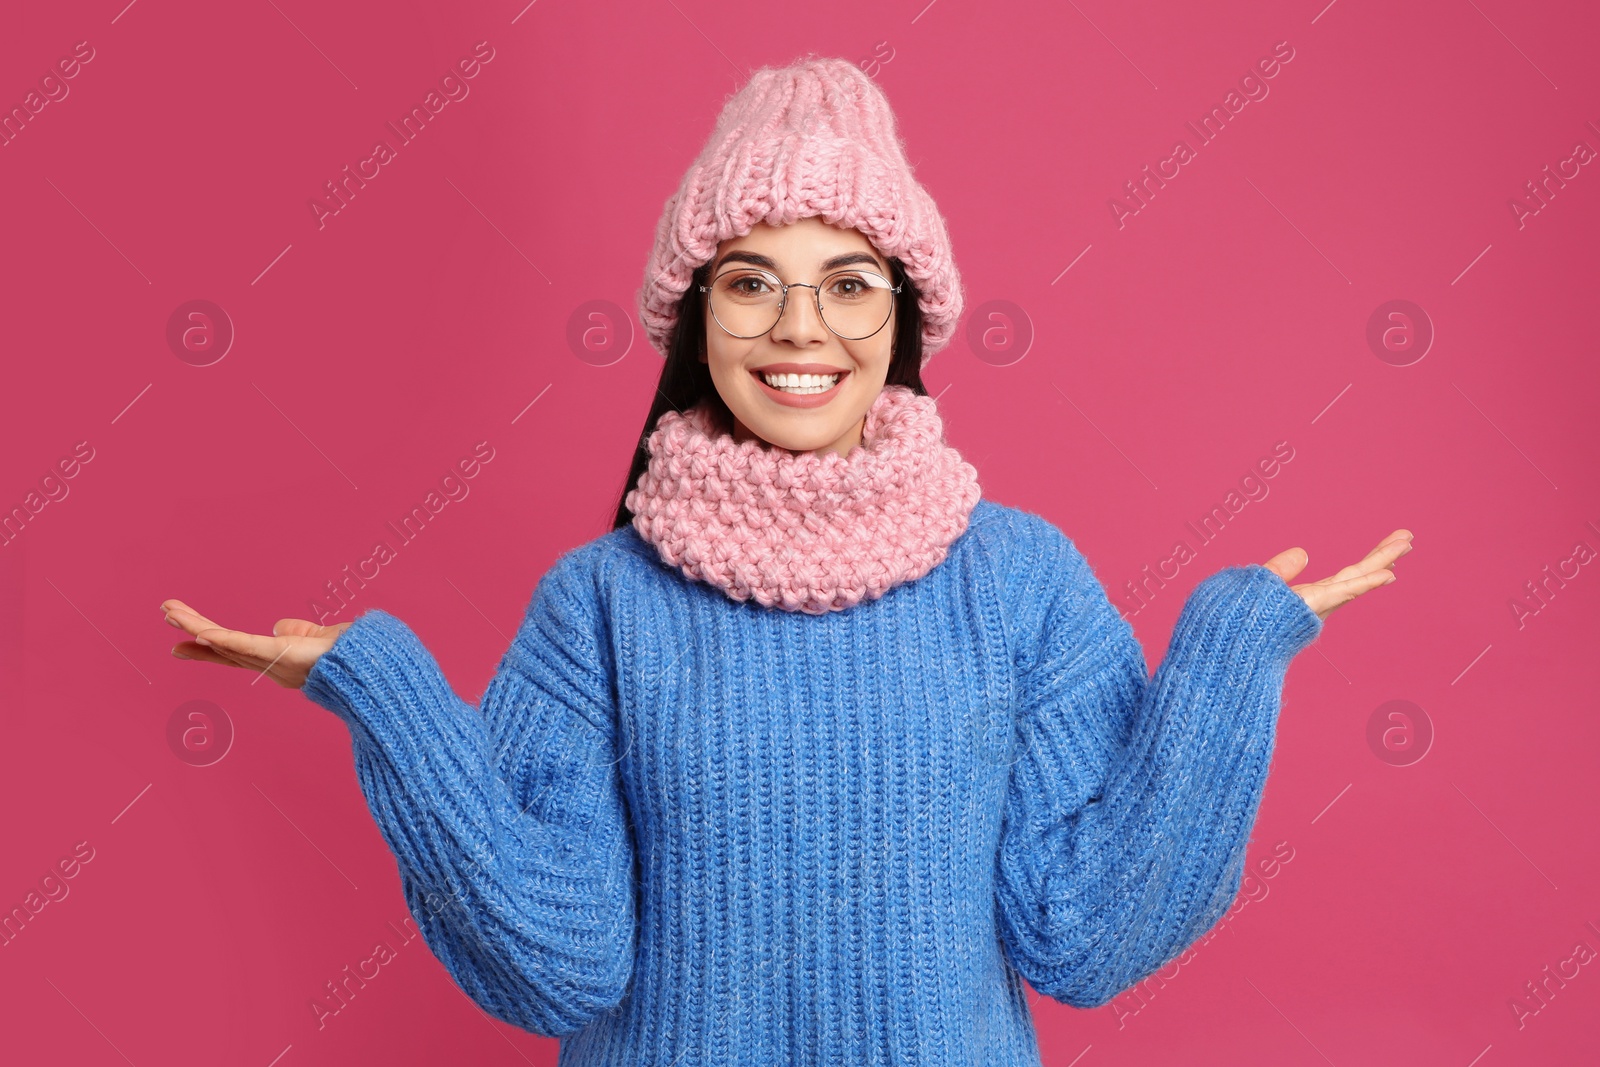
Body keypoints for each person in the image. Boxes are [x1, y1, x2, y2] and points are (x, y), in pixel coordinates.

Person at [159, 55, 1412, 1066]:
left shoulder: (1020, 580)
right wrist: (389, 697)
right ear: (695, 320)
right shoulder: (598, 601)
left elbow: (1081, 931)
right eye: (750, 281)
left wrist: (1234, 649)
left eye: (848, 284)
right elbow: (558, 964)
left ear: (903, 317)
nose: (800, 326)